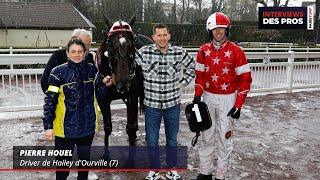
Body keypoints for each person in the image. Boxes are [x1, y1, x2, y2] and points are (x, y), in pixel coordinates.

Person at [192, 12, 252, 180]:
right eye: (215, 29)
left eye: (222, 29)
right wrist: (197, 96)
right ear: (209, 31)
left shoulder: (237, 51)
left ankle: (221, 175)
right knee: (206, 136)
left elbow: (245, 80)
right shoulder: (203, 51)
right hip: (208, 98)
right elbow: (200, 76)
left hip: (228, 99)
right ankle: (205, 173)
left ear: (227, 30)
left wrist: (238, 105)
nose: (218, 32)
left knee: (225, 138)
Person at [42, 38, 112, 180]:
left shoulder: (92, 70)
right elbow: (50, 100)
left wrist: (103, 85)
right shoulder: (57, 72)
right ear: (67, 53)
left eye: (80, 51)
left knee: (84, 166)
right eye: (73, 51)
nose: (77, 54)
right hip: (64, 130)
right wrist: (48, 126)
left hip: (87, 128)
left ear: (85, 53)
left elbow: (98, 95)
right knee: (62, 168)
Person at [135, 23, 195, 180]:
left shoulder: (179, 52)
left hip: (172, 105)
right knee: (152, 140)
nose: (162, 38)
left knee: (172, 140)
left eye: (164, 35)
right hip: (152, 106)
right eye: (158, 35)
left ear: (169, 36)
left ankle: (171, 169)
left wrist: (183, 82)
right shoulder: (143, 52)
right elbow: (126, 65)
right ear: (153, 37)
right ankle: (154, 170)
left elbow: (192, 67)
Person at [41, 28, 95, 93]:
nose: (86, 48)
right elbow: (46, 82)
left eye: (88, 45)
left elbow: (95, 84)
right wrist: (58, 97)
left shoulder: (90, 58)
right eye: (83, 43)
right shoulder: (58, 56)